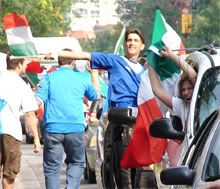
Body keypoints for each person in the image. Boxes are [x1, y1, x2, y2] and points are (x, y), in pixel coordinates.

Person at [59, 28, 146, 189]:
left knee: (140, 173)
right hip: (121, 124)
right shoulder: (115, 61)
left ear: (142, 46)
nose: (131, 43)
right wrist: (62, 54)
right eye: (129, 40)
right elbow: (87, 55)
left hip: (140, 125)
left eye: (135, 40)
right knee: (122, 172)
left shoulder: (146, 71)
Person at [35, 50, 99, 189]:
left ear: (59, 62)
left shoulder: (49, 78)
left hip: (53, 128)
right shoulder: (82, 78)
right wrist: (94, 74)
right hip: (75, 127)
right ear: (73, 61)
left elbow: (38, 100)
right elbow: (95, 96)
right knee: (76, 162)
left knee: (52, 168)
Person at [149, 46, 197, 166]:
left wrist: (171, 55)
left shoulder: (204, 102)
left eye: (190, 88)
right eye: (183, 89)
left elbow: (193, 75)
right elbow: (157, 90)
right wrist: (150, 65)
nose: (186, 92)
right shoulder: (181, 105)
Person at [0, 54, 41, 189]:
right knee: (9, 175)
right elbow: (29, 114)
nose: (26, 66)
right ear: (18, 64)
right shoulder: (22, 85)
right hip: (10, 132)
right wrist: (36, 138)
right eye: (25, 63)